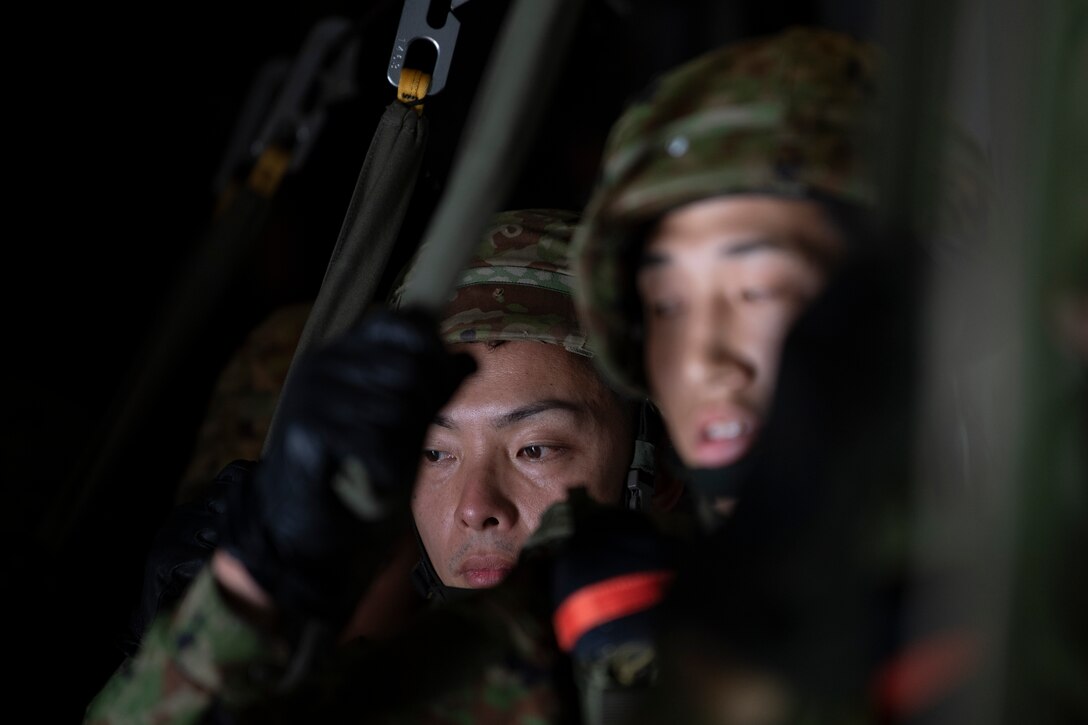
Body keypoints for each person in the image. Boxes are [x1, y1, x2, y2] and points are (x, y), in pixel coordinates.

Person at [85, 207, 685, 724]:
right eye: (435, 454)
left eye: (535, 448)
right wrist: (233, 610)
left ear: (652, 457)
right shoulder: (414, 694)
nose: (476, 507)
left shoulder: (742, 663)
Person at [571, 24, 995, 723]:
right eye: (665, 305)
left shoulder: (1021, 618)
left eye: (758, 290)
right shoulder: (581, 610)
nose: (704, 358)